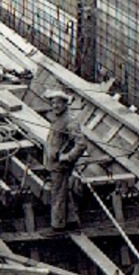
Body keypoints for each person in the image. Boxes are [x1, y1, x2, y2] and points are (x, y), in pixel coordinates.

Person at [43, 89, 87, 230]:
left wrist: (68, 157)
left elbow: (81, 144)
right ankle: (72, 222)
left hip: (60, 166)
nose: (55, 106)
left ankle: (57, 227)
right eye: (53, 102)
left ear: (65, 104)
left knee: (58, 195)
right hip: (54, 164)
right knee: (63, 192)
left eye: (58, 103)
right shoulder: (57, 118)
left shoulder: (69, 121)